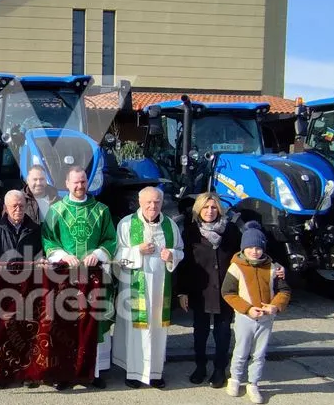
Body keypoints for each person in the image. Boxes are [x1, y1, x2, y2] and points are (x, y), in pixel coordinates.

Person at [42, 166, 116, 390]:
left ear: (88, 182)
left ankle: (93, 372)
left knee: (93, 323)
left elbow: (110, 239)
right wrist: (64, 255)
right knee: (66, 325)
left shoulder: (101, 210)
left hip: (94, 278)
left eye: (83, 181)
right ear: (66, 184)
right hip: (66, 279)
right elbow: (48, 240)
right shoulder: (56, 210)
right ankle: (65, 373)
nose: (79, 186)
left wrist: (97, 253)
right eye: (75, 182)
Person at [113, 186, 183, 389]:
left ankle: (155, 373)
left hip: (161, 289)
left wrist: (172, 255)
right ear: (140, 202)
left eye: (157, 202)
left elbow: (180, 251)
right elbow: (116, 258)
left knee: (157, 331)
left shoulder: (170, 225)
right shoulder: (126, 224)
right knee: (136, 332)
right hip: (134, 288)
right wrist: (137, 251)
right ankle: (133, 373)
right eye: (149, 202)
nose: (153, 206)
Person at [222, 221, 291, 404]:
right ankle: (235, 379)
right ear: (243, 248)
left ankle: (254, 383)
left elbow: (284, 291)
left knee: (259, 353)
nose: (254, 251)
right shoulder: (236, 267)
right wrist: (247, 309)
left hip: (267, 318)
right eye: (250, 247)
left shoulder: (273, 268)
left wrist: (274, 306)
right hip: (245, 317)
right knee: (241, 350)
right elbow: (228, 293)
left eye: (258, 248)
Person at [175, 192, 239, 389]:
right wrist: (182, 292)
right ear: (198, 210)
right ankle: (200, 366)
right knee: (200, 332)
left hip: (225, 290)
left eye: (213, 207)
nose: (209, 211)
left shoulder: (231, 230)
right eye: (205, 207)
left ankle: (220, 369)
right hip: (200, 290)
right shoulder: (191, 232)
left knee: (222, 332)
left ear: (219, 209)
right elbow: (185, 264)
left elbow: (241, 258)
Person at [0, 189, 44, 388]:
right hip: (3, 288)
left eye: (21, 205)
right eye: (14, 206)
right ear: (6, 207)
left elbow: (39, 255)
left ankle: (28, 373)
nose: (18, 209)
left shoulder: (35, 229)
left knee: (27, 330)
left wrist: (40, 262)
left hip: (28, 286)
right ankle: (3, 373)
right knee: (4, 331)